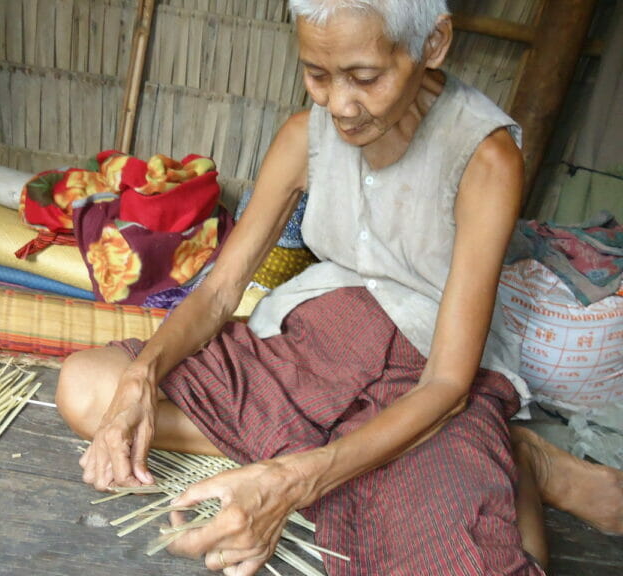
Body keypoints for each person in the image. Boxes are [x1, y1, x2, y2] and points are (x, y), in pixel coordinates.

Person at [56, 1, 623, 574]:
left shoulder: (485, 159)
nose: (340, 105)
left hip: (421, 376)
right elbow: (219, 291)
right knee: (87, 389)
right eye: (318, 74)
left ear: (433, 43)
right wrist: (139, 378)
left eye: (365, 77)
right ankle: (364, 466)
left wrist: (296, 482)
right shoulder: (307, 134)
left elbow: (449, 382)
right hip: (311, 344)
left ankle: (505, 459)